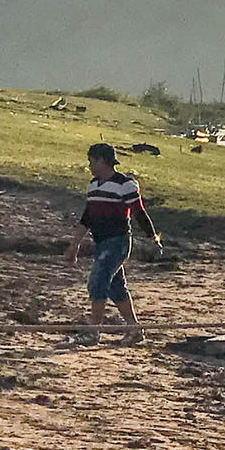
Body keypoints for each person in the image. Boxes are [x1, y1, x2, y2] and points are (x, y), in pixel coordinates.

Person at [70, 142, 161, 334]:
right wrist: (74, 245)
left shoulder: (124, 184)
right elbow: (87, 218)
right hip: (101, 243)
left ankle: (94, 331)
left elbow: (139, 213)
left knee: (98, 282)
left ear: (102, 161)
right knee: (116, 287)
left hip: (117, 242)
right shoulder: (93, 186)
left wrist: (152, 237)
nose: (89, 166)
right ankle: (134, 329)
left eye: (91, 161)